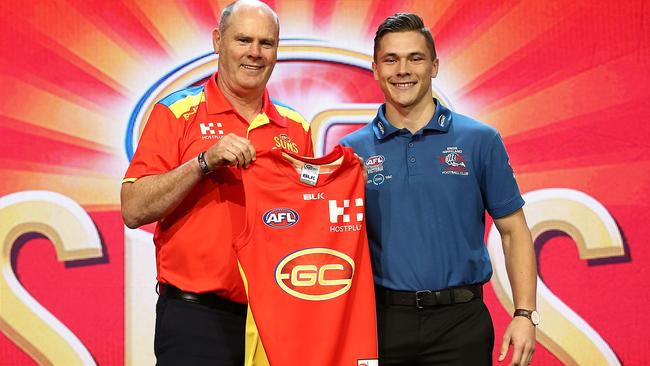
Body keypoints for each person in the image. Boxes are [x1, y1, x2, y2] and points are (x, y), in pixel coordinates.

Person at [120, 0, 312, 364]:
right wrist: (203, 162)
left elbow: (305, 223)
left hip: (276, 318)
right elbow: (133, 209)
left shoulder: (296, 127)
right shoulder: (176, 112)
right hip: (196, 318)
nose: (254, 53)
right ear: (217, 41)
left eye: (266, 43)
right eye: (243, 40)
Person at [341, 13, 537, 366]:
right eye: (391, 59)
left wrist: (525, 314)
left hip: (460, 324)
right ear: (375, 69)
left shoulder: (479, 140)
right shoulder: (350, 151)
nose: (403, 70)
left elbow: (513, 231)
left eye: (415, 58)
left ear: (434, 65)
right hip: (381, 323)